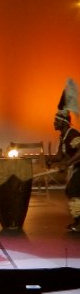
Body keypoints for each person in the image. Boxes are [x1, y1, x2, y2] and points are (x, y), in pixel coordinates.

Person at [46, 78, 80, 231]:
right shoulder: (63, 137)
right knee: (71, 191)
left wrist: (68, 163)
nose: (54, 123)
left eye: (56, 120)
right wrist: (51, 160)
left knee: (73, 190)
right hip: (75, 168)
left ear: (64, 122)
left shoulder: (72, 134)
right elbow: (60, 155)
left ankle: (78, 223)